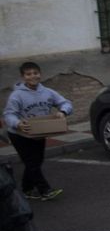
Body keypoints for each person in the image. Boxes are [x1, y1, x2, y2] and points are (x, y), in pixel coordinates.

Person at [3, 62, 73, 200]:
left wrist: (63, 111)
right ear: (23, 77)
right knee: (32, 162)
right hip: (20, 134)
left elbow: (66, 103)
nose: (33, 76)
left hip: (39, 133)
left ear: (40, 74)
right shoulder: (17, 95)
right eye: (28, 74)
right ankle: (45, 190)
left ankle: (27, 189)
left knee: (36, 162)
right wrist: (17, 123)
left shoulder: (48, 92)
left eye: (35, 73)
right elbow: (8, 114)